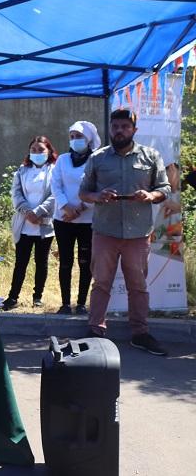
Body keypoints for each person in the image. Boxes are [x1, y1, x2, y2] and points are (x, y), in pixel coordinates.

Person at [79, 108, 171, 356]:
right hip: (105, 233)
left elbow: (165, 187)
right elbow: (83, 192)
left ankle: (140, 334)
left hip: (138, 234)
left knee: (138, 286)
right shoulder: (97, 158)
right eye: (115, 127)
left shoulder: (151, 156)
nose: (119, 131)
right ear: (110, 130)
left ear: (134, 130)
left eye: (124, 127)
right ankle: (95, 330)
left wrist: (150, 195)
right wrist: (98, 196)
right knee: (101, 284)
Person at [51, 121, 101, 315]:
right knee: (65, 260)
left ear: (88, 139)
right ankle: (65, 303)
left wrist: (79, 208)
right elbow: (55, 184)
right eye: (71, 137)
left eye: (79, 136)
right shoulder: (62, 160)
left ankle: (81, 303)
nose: (75, 140)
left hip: (87, 219)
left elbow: (98, 187)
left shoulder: (96, 159)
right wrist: (66, 207)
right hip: (63, 218)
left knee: (85, 261)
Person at [2, 136, 57, 310]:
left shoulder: (55, 171)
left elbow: (55, 195)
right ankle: (12, 298)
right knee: (21, 262)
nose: (37, 153)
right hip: (24, 223)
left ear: (49, 151)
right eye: (33, 149)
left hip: (44, 224)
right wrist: (27, 211)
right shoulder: (22, 171)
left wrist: (38, 212)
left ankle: (38, 297)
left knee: (41, 263)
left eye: (41, 149)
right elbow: (16, 193)